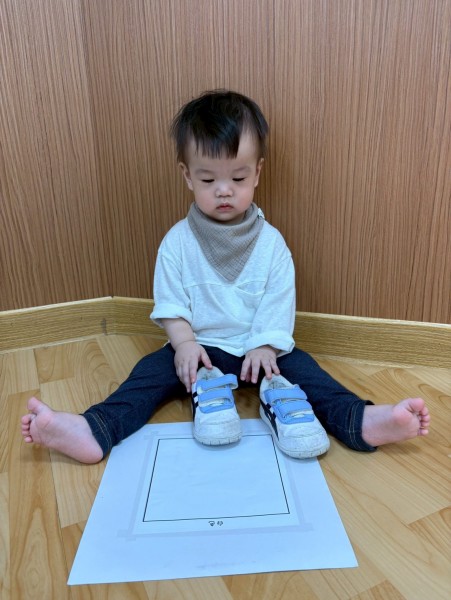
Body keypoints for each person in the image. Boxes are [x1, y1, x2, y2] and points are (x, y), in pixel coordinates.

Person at [21, 90, 430, 464]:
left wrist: (266, 345)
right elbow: (171, 304)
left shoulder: (271, 243)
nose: (223, 191)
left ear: (257, 173)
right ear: (187, 176)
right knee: (147, 374)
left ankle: (361, 421)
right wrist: (183, 344)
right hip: (199, 351)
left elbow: (278, 300)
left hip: (262, 352)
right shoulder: (177, 242)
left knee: (308, 371)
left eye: (237, 178)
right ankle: (94, 430)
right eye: (208, 179)